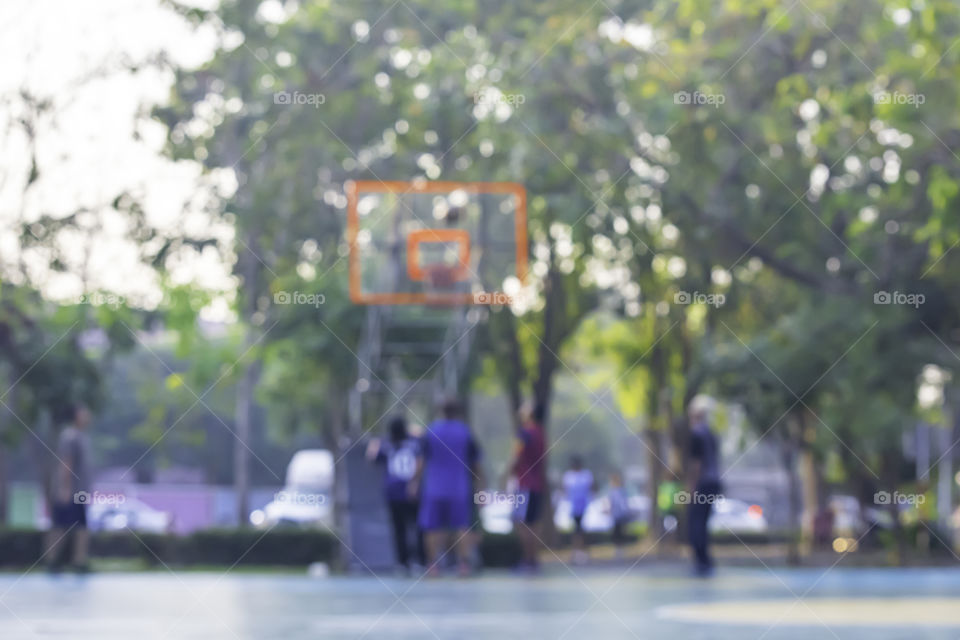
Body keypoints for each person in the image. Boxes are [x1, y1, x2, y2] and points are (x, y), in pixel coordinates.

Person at [413, 397, 481, 577]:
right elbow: (476, 463)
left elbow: (421, 462)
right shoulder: (465, 432)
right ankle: (463, 565)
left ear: (440, 411)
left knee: (431, 527)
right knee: (461, 526)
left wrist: (414, 482)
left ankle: (432, 565)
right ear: (458, 411)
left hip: (434, 488)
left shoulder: (430, 431)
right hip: (459, 488)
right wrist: (480, 484)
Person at [367, 415, 425, 574]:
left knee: (400, 529)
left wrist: (375, 442)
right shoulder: (414, 443)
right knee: (417, 527)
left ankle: (403, 562)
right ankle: (419, 560)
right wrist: (415, 482)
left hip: (394, 492)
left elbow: (371, 457)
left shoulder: (386, 444)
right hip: (412, 491)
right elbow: (421, 453)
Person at [48, 404, 93, 574]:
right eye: (84, 413)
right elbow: (66, 462)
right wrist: (64, 488)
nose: (88, 416)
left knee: (81, 526)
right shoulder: (70, 436)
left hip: (80, 491)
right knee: (59, 526)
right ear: (76, 416)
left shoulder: (82, 436)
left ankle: (78, 562)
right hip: (69, 491)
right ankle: (52, 561)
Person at [508, 401, 548, 572]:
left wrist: (507, 473)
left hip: (524, 484)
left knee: (521, 523)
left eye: (526, 406)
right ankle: (534, 561)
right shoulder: (541, 432)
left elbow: (516, 456)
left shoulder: (524, 433)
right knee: (533, 523)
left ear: (531, 412)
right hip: (536, 484)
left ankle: (528, 561)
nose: (522, 407)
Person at [687, 396, 722, 577]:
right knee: (703, 521)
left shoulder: (696, 434)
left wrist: (692, 487)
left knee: (696, 522)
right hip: (715, 482)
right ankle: (705, 560)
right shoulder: (711, 434)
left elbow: (697, 464)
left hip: (703, 483)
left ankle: (701, 560)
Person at [562, 455, 593, 565]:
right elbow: (566, 491)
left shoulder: (586, 475)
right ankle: (576, 552)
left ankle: (583, 552)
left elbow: (590, 489)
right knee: (576, 530)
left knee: (581, 529)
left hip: (584, 507)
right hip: (573, 508)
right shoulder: (568, 476)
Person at [608, 471, 630, 560]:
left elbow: (624, 504)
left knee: (620, 532)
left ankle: (621, 549)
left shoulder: (621, 491)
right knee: (616, 532)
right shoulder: (613, 492)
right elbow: (611, 503)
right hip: (615, 516)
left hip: (621, 515)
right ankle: (617, 548)